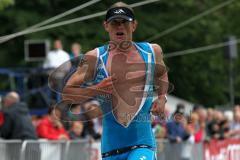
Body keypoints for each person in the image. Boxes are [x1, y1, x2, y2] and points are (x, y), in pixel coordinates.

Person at [62, 2, 168, 160]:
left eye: (124, 22)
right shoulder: (95, 58)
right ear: (106, 26)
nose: (120, 27)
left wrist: (162, 98)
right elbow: (66, 95)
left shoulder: (152, 51)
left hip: (142, 144)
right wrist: (96, 89)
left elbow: (161, 73)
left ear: (134, 25)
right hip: (111, 149)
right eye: (114, 22)